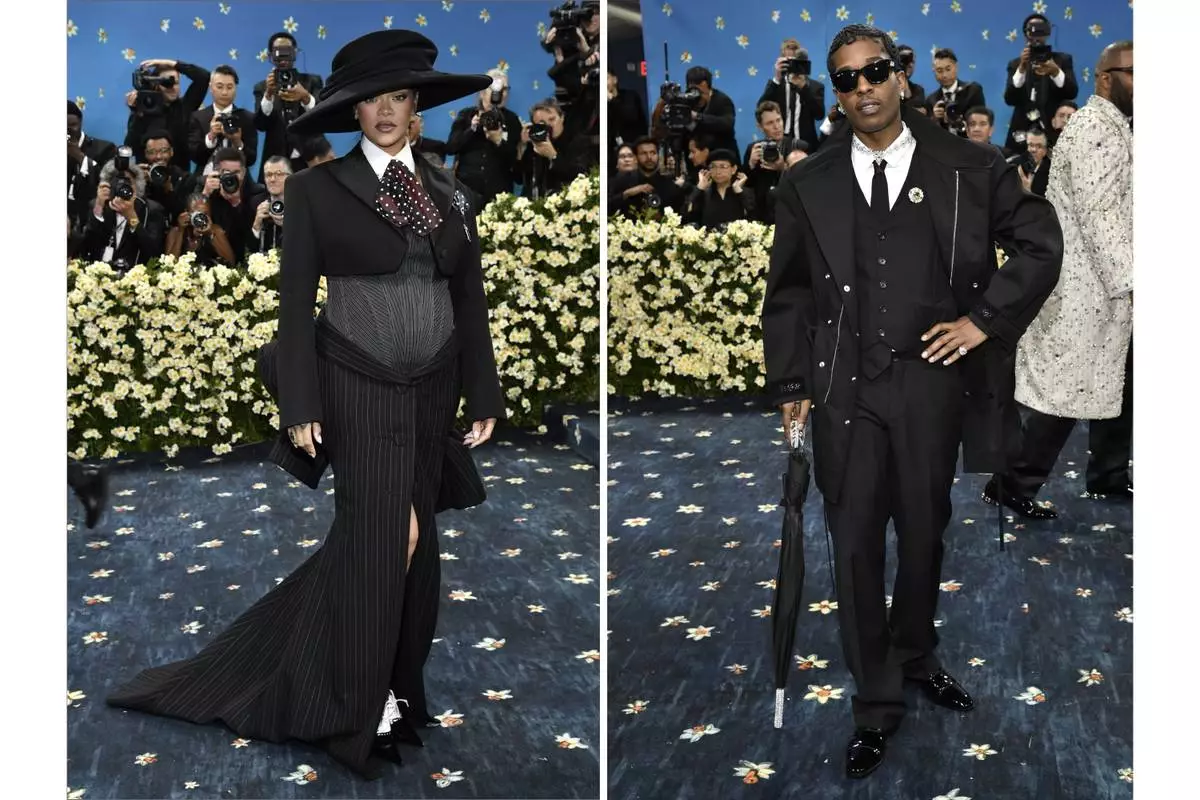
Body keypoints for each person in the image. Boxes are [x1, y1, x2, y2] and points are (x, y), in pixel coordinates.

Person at [106, 29, 504, 781]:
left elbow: (467, 297)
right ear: (352, 112)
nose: (385, 112)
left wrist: (481, 388)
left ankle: (380, 685)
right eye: (371, 102)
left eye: (398, 98)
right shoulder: (319, 191)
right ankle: (355, 709)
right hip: (356, 383)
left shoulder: (449, 191)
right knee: (393, 535)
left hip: (432, 393)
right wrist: (299, 400)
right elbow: (295, 307)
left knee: (406, 552)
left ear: (415, 106)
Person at [761, 24, 1062, 779]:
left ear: (900, 76)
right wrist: (792, 383)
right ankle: (877, 698)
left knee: (925, 533)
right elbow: (790, 292)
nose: (862, 87)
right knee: (857, 542)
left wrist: (983, 322)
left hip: (932, 389)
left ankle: (918, 651)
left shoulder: (970, 165)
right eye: (846, 79)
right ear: (834, 92)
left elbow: (1039, 243)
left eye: (875, 71)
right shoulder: (809, 181)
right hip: (844, 393)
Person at [987, 41, 1133, 516]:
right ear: (1105, 78)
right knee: (1065, 395)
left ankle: (1108, 475)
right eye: (1135, 73)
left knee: (1113, 383)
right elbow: (1100, 217)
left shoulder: (1113, 126)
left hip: (1102, 287)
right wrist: (1134, 281)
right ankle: (1012, 484)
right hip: (1089, 288)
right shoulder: (1095, 130)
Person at [253, 31, 325, 182]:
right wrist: (268, 94)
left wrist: (305, 97)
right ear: (271, 55)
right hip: (275, 163)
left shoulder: (313, 81)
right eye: (278, 51)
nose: (283, 56)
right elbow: (260, 124)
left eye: (287, 51)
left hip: (309, 160)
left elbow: (322, 117)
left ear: (295, 53)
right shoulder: (262, 87)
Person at [1002, 13, 1079, 155]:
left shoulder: (1062, 60)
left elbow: (1072, 92)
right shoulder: (1015, 64)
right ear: (1025, 34)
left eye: (1040, 30)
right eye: (1031, 31)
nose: (1036, 36)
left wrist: (1055, 72)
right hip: (1021, 134)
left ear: (1047, 33)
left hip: (1053, 133)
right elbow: (1009, 99)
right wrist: (1022, 69)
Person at [757, 38, 825, 151]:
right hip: (779, 145)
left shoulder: (814, 86)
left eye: (795, 61)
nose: (793, 65)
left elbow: (819, 115)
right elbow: (761, 107)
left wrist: (803, 87)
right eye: (788, 61)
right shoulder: (777, 85)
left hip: (807, 146)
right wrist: (777, 79)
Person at [925, 49, 985, 137]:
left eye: (948, 69)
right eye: (939, 71)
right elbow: (929, 134)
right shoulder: (931, 100)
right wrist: (934, 118)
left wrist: (956, 119)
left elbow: (980, 122)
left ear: (956, 67)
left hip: (970, 144)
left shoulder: (972, 90)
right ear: (934, 71)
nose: (944, 75)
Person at [165, 193, 236, 266]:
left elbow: (231, 262)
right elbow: (168, 265)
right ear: (186, 213)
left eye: (204, 214)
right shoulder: (176, 231)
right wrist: (181, 231)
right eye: (196, 214)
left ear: (210, 214)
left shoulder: (216, 230)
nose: (200, 219)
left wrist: (210, 234)